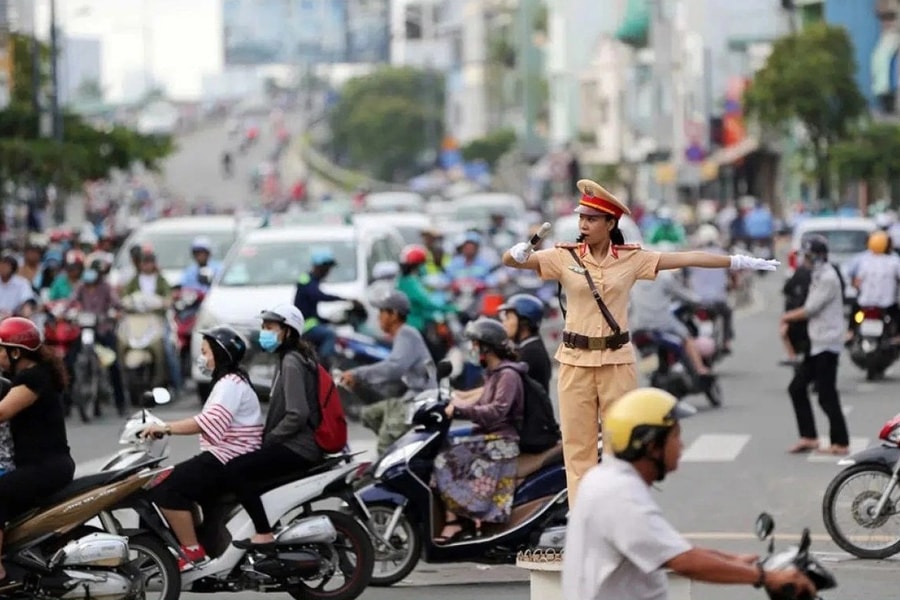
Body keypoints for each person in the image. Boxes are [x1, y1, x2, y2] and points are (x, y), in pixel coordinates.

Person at [502, 179, 778, 506]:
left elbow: (686, 258)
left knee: (624, 442)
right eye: (582, 219)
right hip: (575, 362)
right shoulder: (564, 257)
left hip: (617, 361)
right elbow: (514, 261)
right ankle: (582, 521)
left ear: (610, 223)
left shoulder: (631, 259)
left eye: (592, 219)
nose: (584, 225)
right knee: (579, 449)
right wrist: (517, 252)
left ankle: (621, 512)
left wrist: (736, 262)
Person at [562, 387, 816, 600]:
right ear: (652, 447)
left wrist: (733, 559)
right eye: (675, 436)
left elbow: (668, 548)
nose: (682, 445)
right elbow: (684, 561)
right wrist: (766, 577)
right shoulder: (619, 495)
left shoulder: (607, 479)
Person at [140, 325, 262, 570]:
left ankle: (192, 552)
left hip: (228, 459)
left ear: (220, 354)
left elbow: (209, 422)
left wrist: (166, 428)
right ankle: (197, 542)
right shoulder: (230, 382)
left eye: (206, 352)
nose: (201, 357)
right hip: (226, 456)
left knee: (164, 487)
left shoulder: (230, 384)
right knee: (181, 484)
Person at [224, 304, 325, 548]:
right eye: (263, 327)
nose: (264, 332)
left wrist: (269, 439)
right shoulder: (290, 359)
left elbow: (297, 414)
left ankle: (264, 532)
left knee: (236, 470)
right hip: (297, 445)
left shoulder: (291, 362)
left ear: (287, 331)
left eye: (269, 327)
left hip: (299, 448)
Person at [431, 317, 525, 543]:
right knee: (442, 446)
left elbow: (496, 411)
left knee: (442, 460)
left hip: (502, 442)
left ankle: (455, 522)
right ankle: (462, 516)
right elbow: (480, 401)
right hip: (488, 435)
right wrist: (453, 402)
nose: (472, 349)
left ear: (486, 347)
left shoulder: (508, 375)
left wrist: (461, 412)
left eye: (475, 344)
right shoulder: (494, 373)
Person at [0, 317, 75, 582]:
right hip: (43, 464)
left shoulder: (33, 379)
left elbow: (2, 411)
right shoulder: (28, 375)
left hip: (46, 466)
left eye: (1, 349)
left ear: (15, 351)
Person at [341, 290, 437, 455]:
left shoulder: (407, 333)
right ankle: (400, 446)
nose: (378, 317)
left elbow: (394, 367)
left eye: (382, 312)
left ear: (393, 315)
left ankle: (391, 460)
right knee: (369, 415)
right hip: (411, 398)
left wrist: (358, 373)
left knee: (385, 444)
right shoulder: (403, 335)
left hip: (421, 401)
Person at [782, 235, 850, 455]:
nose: (805, 259)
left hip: (827, 343)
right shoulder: (817, 275)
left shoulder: (828, 277)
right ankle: (809, 437)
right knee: (797, 388)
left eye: (808, 255)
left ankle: (841, 442)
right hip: (817, 342)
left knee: (826, 394)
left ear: (818, 256)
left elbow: (810, 309)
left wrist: (786, 318)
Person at [630, 256, 711, 377]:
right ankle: (699, 368)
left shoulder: (633, 280)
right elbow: (682, 294)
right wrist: (698, 301)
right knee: (686, 337)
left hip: (639, 326)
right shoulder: (663, 277)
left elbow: (628, 305)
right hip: (662, 323)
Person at [122, 249, 182, 393]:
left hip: (158, 320)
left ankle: (176, 384)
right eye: (144, 262)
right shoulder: (133, 281)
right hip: (137, 321)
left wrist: (166, 301)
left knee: (167, 349)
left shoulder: (161, 280)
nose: (147, 265)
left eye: (150, 262)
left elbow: (169, 297)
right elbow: (124, 297)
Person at [69, 268, 126, 416]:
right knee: (70, 360)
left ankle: (120, 402)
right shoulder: (81, 287)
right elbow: (71, 302)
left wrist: (115, 313)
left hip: (103, 329)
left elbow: (117, 304)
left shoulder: (106, 288)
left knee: (113, 364)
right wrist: (69, 312)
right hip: (85, 330)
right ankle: (67, 404)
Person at [294, 248, 361, 366]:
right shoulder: (305, 280)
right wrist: (345, 299)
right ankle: (324, 365)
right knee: (330, 334)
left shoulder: (314, 281)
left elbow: (313, 313)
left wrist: (331, 321)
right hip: (305, 327)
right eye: (327, 268)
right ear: (320, 267)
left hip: (311, 323)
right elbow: (317, 296)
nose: (328, 272)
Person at [686, 223, 734, 354]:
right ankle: (726, 341)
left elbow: (685, 278)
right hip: (718, 301)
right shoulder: (724, 255)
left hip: (697, 301)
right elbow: (730, 278)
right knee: (727, 313)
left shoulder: (692, 255)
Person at [498, 293, 552, 392]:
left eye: (508, 318)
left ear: (524, 321)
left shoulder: (532, 352)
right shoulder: (528, 346)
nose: (504, 323)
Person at [849, 230, 900, 335]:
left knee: (854, 312)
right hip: (887, 305)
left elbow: (856, 282)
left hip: (865, 304)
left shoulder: (864, 260)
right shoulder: (894, 261)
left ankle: (850, 333)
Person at [780, 263, 812, 366]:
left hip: (808, 311)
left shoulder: (803, 271)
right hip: (809, 312)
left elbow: (787, 289)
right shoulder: (825, 271)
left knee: (784, 323)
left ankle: (791, 354)